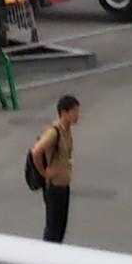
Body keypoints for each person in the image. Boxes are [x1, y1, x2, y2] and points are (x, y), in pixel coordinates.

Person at [31, 94, 81, 244]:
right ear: (64, 112)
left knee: (60, 228)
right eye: (74, 111)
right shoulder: (54, 132)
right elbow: (36, 151)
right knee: (53, 230)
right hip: (54, 187)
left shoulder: (67, 130)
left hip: (63, 186)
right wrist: (44, 173)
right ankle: (46, 255)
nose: (77, 115)